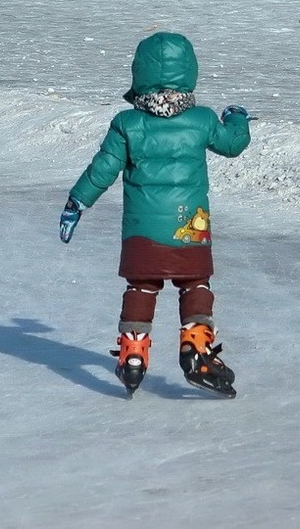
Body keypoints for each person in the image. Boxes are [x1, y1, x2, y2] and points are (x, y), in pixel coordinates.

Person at [58, 31, 252, 398]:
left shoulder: (127, 124)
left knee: (142, 285)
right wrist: (237, 116)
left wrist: (76, 203)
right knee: (194, 283)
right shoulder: (202, 120)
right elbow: (233, 144)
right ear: (189, 71)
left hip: (140, 231)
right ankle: (196, 347)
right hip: (187, 227)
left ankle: (133, 352)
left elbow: (103, 169)